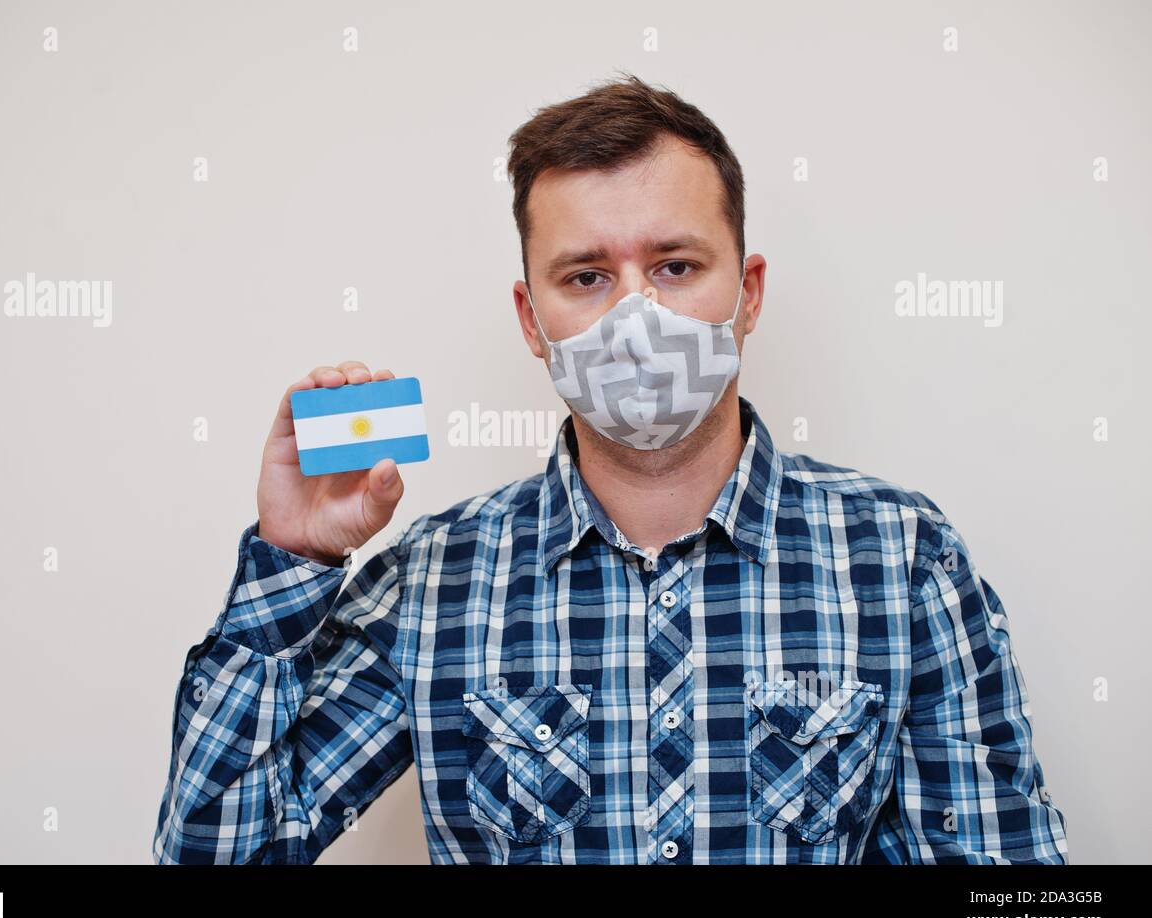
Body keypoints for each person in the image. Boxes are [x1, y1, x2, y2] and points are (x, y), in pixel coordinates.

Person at [152, 72, 1068, 864]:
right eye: (586, 276)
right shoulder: (435, 582)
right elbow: (217, 849)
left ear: (745, 294)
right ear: (529, 317)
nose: (638, 318)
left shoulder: (900, 559)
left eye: (674, 266)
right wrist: (293, 561)